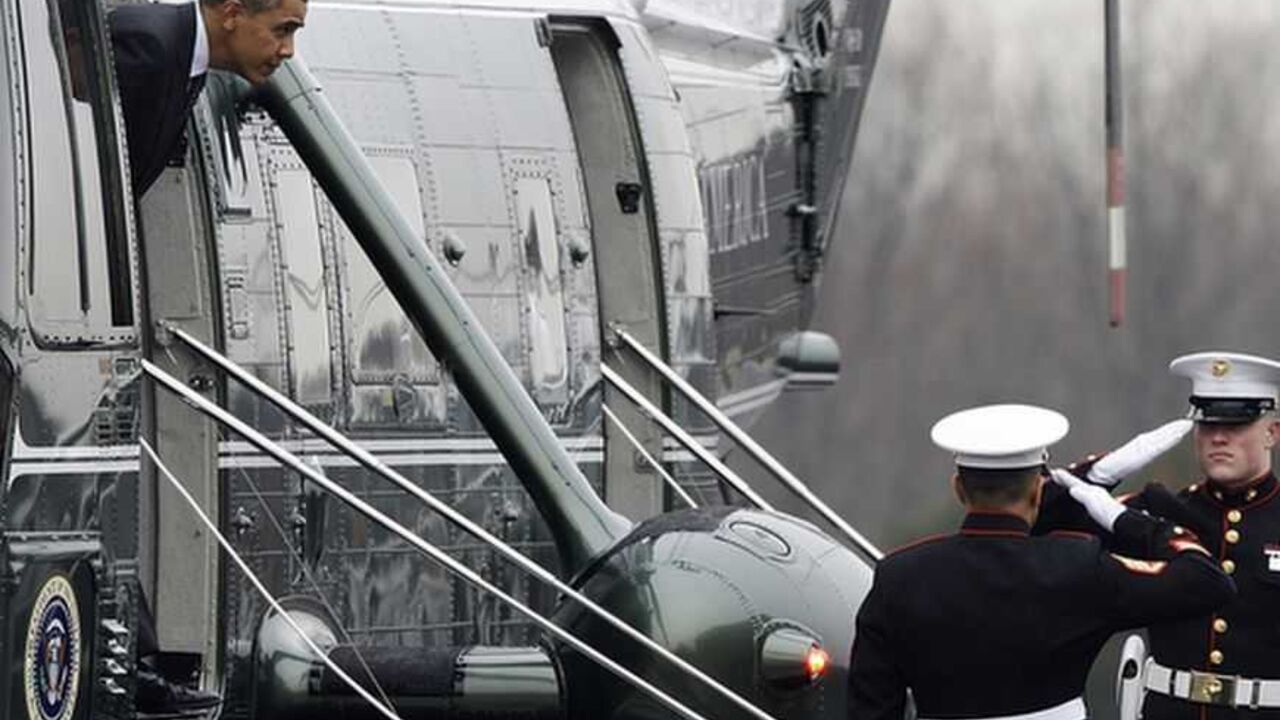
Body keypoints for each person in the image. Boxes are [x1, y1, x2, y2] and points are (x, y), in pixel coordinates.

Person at [849, 404, 1235, 720]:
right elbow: (1206, 581)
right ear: (1038, 489)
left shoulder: (900, 577)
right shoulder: (1077, 567)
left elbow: (871, 708)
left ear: (958, 488)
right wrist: (1125, 520)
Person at [1039, 352, 1280, 720]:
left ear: (1272, 433)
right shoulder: (1158, 510)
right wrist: (1097, 475)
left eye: (1235, 426)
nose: (1218, 437)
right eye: (1207, 425)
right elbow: (1042, 531)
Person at [110, 0, 307, 197]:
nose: (288, 51)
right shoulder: (147, 48)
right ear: (231, 15)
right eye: (282, 30)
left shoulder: (187, 60)